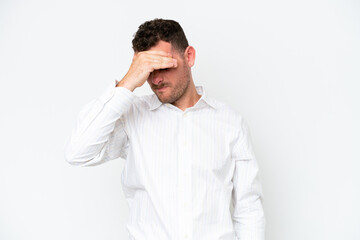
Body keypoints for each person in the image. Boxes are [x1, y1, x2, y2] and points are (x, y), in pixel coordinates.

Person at [64, 18, 265, 240]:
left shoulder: (231, 123)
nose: (156, 79)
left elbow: (248, 209)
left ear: (189, 56)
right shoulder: (131, 117)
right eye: (148, 70)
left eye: (162, 66)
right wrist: (129, 81)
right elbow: (77, 152)